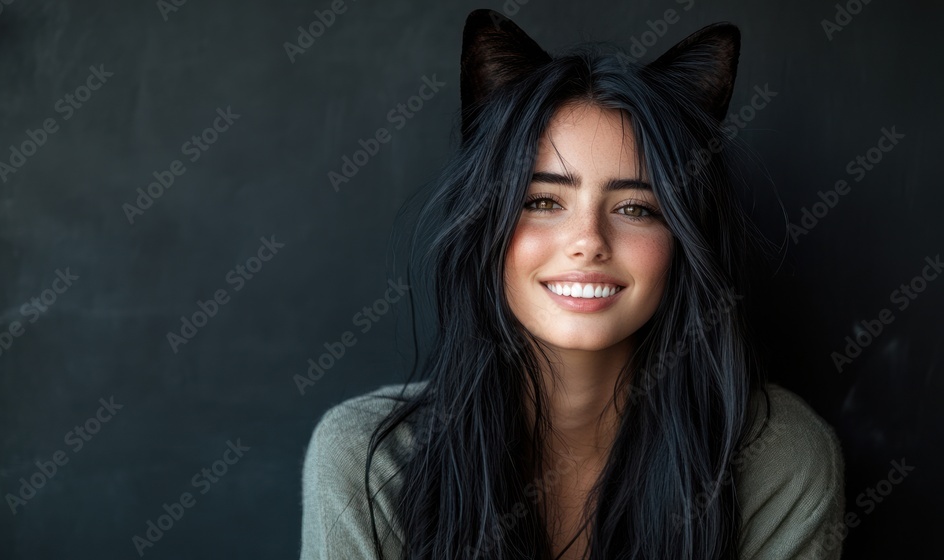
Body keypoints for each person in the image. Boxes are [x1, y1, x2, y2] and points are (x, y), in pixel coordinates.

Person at [301, 9, 845, 560]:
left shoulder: (775, 456)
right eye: (541, 201)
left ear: (685, 238)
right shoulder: (369, 460)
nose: (588, 240)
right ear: (483, 222)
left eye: (636, 207)